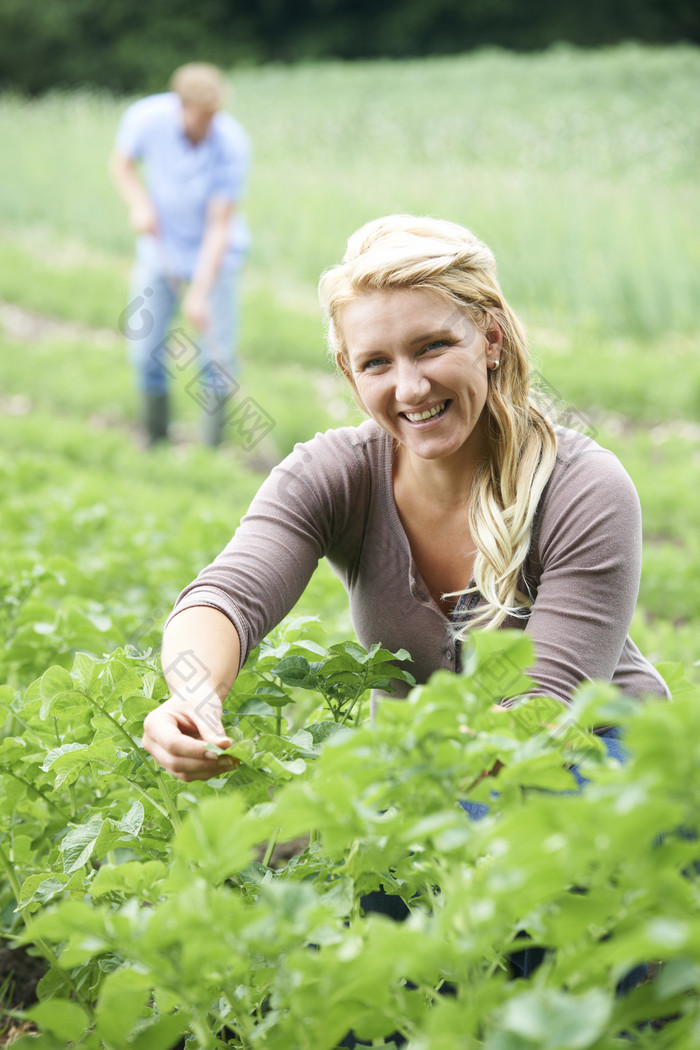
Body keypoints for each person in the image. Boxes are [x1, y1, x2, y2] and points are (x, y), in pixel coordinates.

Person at [142, 213, 668, 781]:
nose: (411, 387)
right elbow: (227, 596)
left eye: (433, 346)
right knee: (278, 849)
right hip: (432, 771)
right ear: (350, 373)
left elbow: (539, 714)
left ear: (490, 340)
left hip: (604, 759)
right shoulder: (336, 475)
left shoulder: (582, 487)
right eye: (377, 363)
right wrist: (194, 698)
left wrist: (363, 791)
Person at [110, 62, 252, 447]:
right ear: (182, 105)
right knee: (144, 346)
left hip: (215, 255)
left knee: (217, 354)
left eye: (214, 115)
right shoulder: (145, 118)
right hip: (160, 249)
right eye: (202, 115)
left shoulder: (231, 143)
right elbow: (121, 164)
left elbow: (219, 225)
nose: (209, 124)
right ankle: (155, 441)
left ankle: (209, 450)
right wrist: (139, 203)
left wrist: (199, 292)